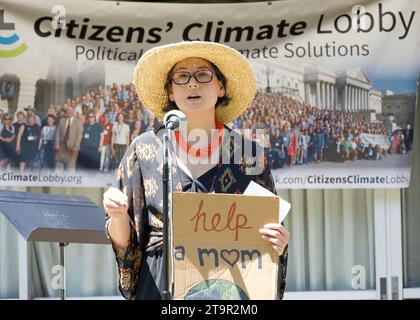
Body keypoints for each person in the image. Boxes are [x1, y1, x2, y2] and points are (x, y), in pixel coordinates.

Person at [102, 41, 289, 300]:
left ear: (221, 87)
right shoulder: (143, 149)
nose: (192, 84)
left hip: (227, 285)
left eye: (203, 75)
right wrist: (117, 216)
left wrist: (277, 240)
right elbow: (125, 245)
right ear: (170, 92)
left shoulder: (249, 154)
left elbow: (268, 232)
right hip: (158, 282)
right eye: (182, 77)